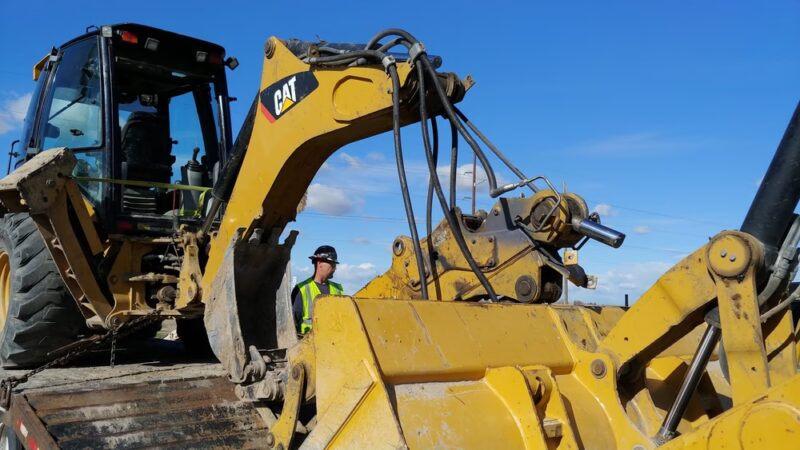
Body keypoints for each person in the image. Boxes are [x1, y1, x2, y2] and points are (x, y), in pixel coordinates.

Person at [292, 245, 345, 334]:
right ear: (319, 263)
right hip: (309, 345)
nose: (334, 268)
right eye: (332, 264)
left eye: (335, 264)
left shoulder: (338, 289)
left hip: (335, 344)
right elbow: (293, 323)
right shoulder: (302, 289)